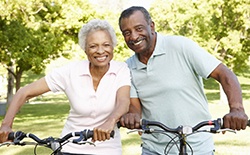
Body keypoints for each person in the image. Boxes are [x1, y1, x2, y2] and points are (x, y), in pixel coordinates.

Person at [118, 6, 248, 155]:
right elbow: (135, 107)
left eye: (139, 28)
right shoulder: (128, 67)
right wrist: (131, 117)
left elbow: (224, 74)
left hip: (198, 147)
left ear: (151, 26)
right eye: (127, 33)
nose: (134, 36)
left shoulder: (180, 46)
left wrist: (237, 109)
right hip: (153, 150)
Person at [0, 19, 131, 155]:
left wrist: (110, 122)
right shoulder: (70, 71)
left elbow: (124, 102)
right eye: (93, 46)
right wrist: (6, 125)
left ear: (113, 46)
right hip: (70, 148)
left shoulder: (121, 69)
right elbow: (24, 92)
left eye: (106, 45)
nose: (100, 51)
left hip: (109, 149)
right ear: (85, 49)